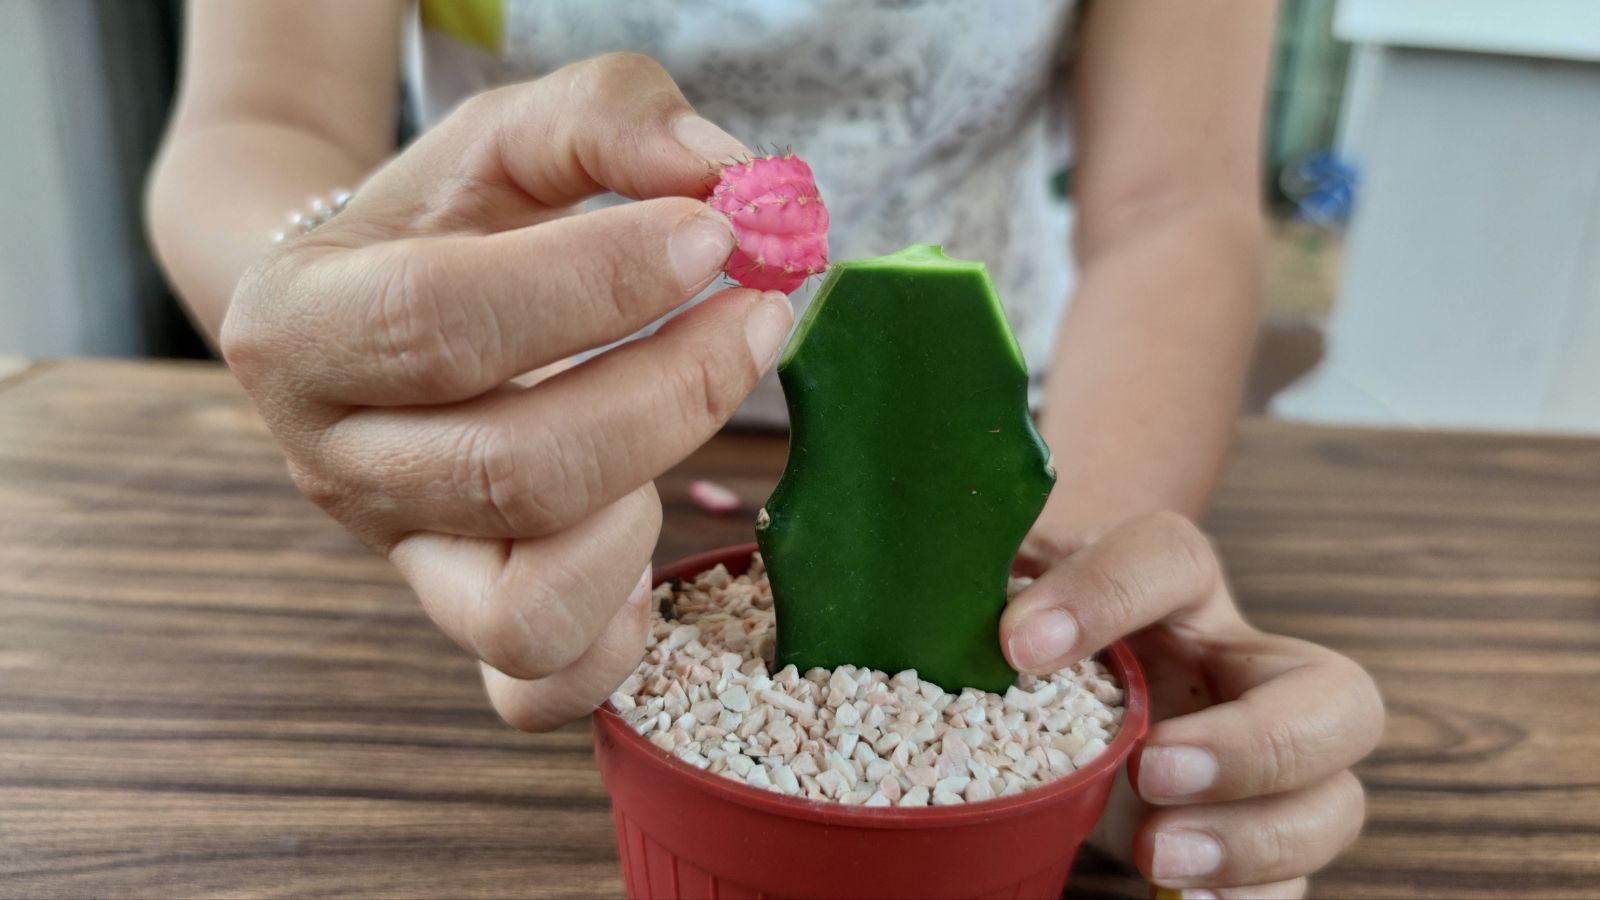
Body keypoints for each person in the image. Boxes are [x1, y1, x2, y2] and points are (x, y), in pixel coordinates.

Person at [146, 1, 1382, 895]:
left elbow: (1172, 201)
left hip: (1001, 438)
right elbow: (259, 118)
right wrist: (328, 296)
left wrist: (1066, 610)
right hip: (496, 451)